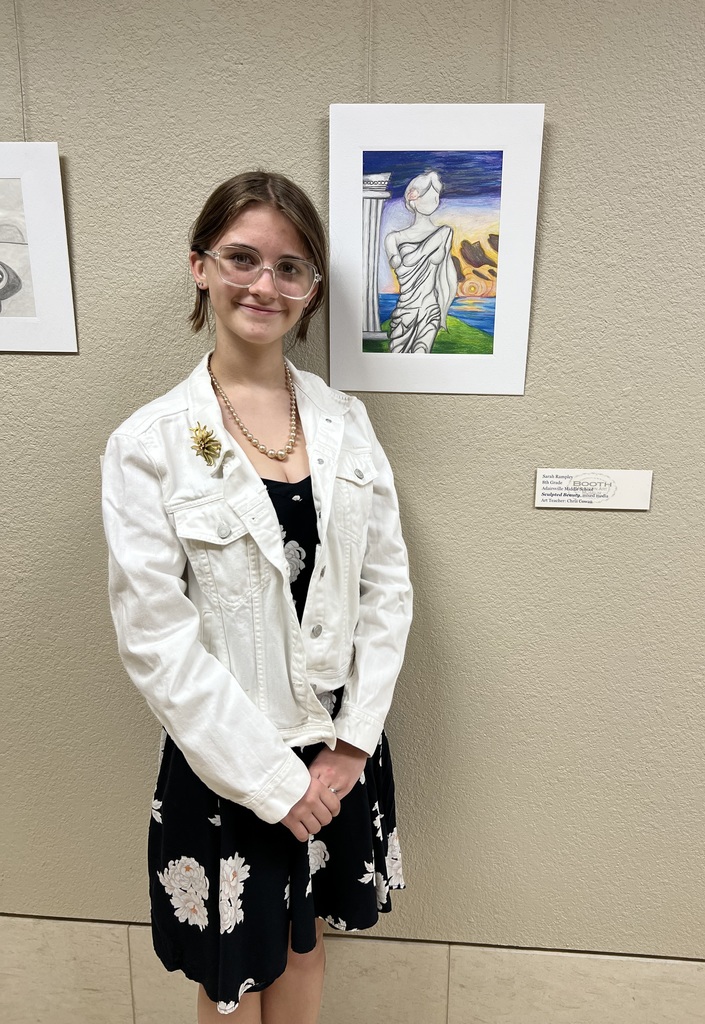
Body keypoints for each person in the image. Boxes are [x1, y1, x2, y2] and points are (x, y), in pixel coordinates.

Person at [101, 171, 413, 1023]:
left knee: (307, 947)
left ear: (311, 290)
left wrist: (350, 749)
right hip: (229, 763)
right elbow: (156, 642)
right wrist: (275, 784)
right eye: (242, 258)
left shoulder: (346, 421)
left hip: (339, 755)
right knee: (230, 981)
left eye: (290, 267)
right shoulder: (151, 444)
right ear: (200, 267)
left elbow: (388, 589)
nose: (263, 285)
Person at [384, 170, 458, 353]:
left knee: (422, 354)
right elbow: (401, 270)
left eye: (437, 196)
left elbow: (447, 273)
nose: (436, 201)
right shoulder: (394, 238)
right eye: (431, 195)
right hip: (405, 310)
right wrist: (421, 253)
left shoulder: (444, 233)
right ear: (413, 197)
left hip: (430, 309)